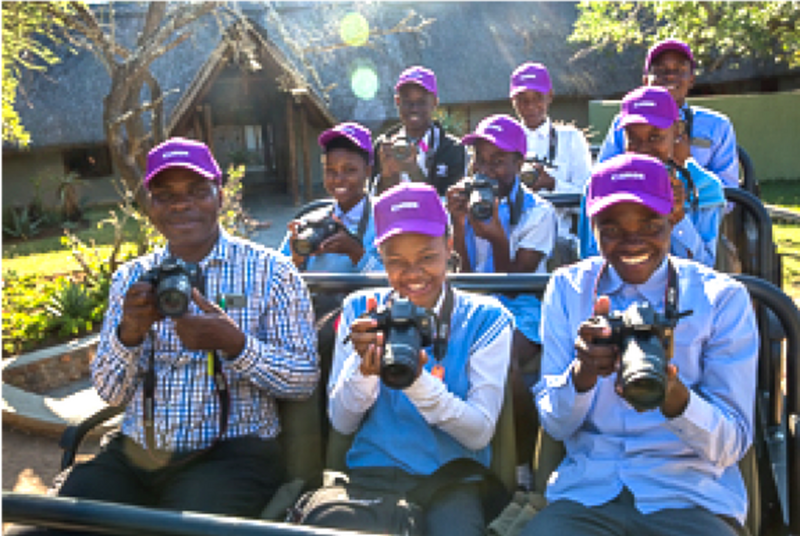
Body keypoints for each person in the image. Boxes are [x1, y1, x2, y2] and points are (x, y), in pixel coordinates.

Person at [11, 138, 320, 534]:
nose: (180, 204)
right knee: (42, 525)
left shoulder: (272, 272)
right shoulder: (132, 278)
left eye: (196, 191)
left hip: (231, 455)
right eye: (164, 195)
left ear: (220, 196)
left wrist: (235, 344)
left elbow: (303, 380)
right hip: (137, 453)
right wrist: (130, 334)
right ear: (149, 205)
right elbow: (109, 393)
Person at [522, 153, 757, 536]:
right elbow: (555, 424)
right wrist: (581, 376)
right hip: (588, 494)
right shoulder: (568, 289)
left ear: (674, 217)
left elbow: (731, 445)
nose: (633, 242)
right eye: (612, 229)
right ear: (591, 225)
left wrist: (676, 398)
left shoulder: (721, 299)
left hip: (690, 497)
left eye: (650, 225)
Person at [323, 182, 514, 536]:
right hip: (370, 477)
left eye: (427, 257)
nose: (412, 274)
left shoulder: (487, 319)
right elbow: (342, 422)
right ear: (380, 257)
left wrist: (415, 381)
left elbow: (478, 434)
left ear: (450, 245)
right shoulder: (358, 310)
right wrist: (363, 370)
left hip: (452, 480)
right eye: (396, 261)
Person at [446, 114, 556, 490]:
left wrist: (496, 238)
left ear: (518, 164)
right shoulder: (471, 197)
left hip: (521, 304)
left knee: (499, 359)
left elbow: (515, 283)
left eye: (499, 160)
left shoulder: (539, 212)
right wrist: (459, 224)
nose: (488, 169)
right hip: (472, 297)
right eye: (481, 159)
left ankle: (523, 460)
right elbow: (460, 270)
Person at [579, 86, 725, 267]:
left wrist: (678, 220)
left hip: (681, 293)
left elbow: (704, 266)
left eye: (655, 137)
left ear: (677, 131)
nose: (643, 149)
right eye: (632, 138)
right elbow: (589, 260)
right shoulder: (601, 186)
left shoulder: (704, 188)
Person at [598, 38, 739, 191]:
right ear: (646, 81)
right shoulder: (625, 123)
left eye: (680, 70)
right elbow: (602, 179)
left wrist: (689, 166)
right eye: (660, 70)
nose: (670, 76)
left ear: (692, 79)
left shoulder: (718, 126)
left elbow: (730, 195)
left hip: (699, 211)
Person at [280, 122, 382, 273]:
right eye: (330, 170)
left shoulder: (386, 222)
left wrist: (357, 253)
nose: (338, 179)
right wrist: (296, 260)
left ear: (367, 171)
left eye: (350, 170)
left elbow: (400, 284)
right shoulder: (309, 223)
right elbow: (273, 280)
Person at [510, 62, 592, 244]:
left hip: (558, 237)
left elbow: (588, 199)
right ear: (513, 101)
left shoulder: (571, 138)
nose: (530, 105)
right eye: (522, 99)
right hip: (511, 236)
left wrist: (552, 184)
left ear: (550, 97)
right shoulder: (505, 141)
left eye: (538, 97)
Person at [371, 65, 468, 197]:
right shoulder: (383, 145)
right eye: (407, 102)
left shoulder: (452, 149)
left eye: (421, 102)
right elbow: (374, 205)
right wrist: (387, 175)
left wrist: (414, 171)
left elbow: (450, 208)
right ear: (397, 102)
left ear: (434, 103)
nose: (414, 108)